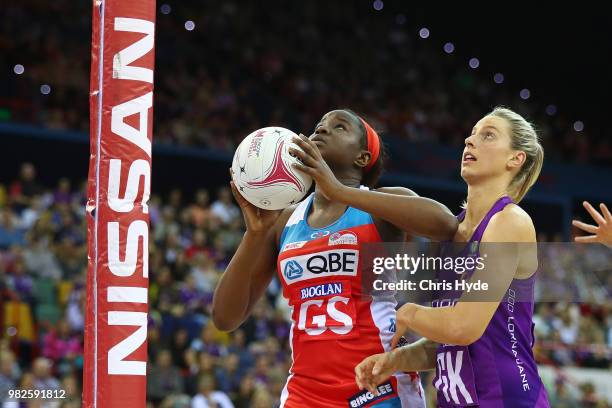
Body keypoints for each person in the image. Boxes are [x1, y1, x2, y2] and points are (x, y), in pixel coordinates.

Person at [213, 109, 459, 407]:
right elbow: (225, 318)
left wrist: (340, 191)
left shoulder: (382, 206)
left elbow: (445, 225)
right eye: (318, 126)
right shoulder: (285, 220)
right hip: (304, 392)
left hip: (377, 388)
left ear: (362, 158)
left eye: (339, 127)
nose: (322, 131)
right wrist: (253, 236)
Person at [351, 107, 550, 407]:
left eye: (488, 136)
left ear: (515, 158)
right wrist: (395, 360)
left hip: (507, 399)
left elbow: (463, 327)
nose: (470, 141)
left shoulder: (510, 221)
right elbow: (446, 342)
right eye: (471, 134)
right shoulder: (453, 231)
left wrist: (407, 312)